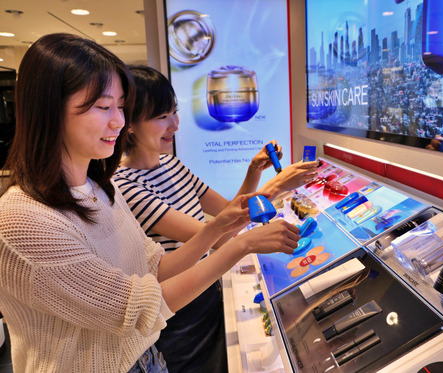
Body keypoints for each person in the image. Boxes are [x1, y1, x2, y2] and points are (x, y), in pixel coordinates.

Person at [0, 33, 299, 373]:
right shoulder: (22, 221)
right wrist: (238, 244)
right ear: (49, 109)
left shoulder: (100, 190)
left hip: (148, 357)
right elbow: (138, 307)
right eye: (102, 107)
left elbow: (154, 267)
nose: (118, 122)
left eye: (121, 107)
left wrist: (222, 225)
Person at [113, 65, 318, 372]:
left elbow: (227, 215)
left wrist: (254, 170)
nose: (176, 125)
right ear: (129, 124)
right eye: (162, 117)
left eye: (174, 112)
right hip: (179, 310)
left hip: (208, 289)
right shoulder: (126, 185)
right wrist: (276, 186)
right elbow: (219, 235)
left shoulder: (171, 164)